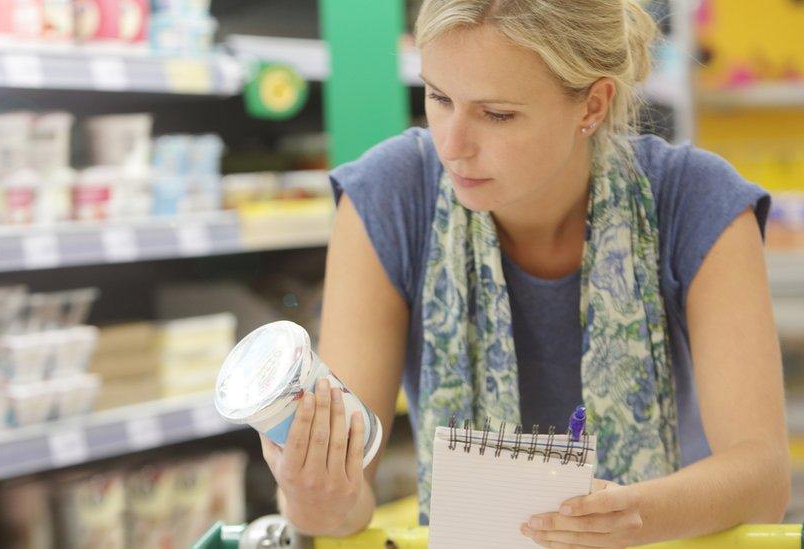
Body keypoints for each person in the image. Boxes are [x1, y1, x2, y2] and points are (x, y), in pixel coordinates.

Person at [258, 1, 791, 547]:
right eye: (439, 98)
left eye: (497, 114)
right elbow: (346, 503)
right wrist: (313, 495)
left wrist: (632, 515)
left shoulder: (696, 200)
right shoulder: (388, 196)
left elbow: (763, 477)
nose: (452, 145)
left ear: (593, 104)